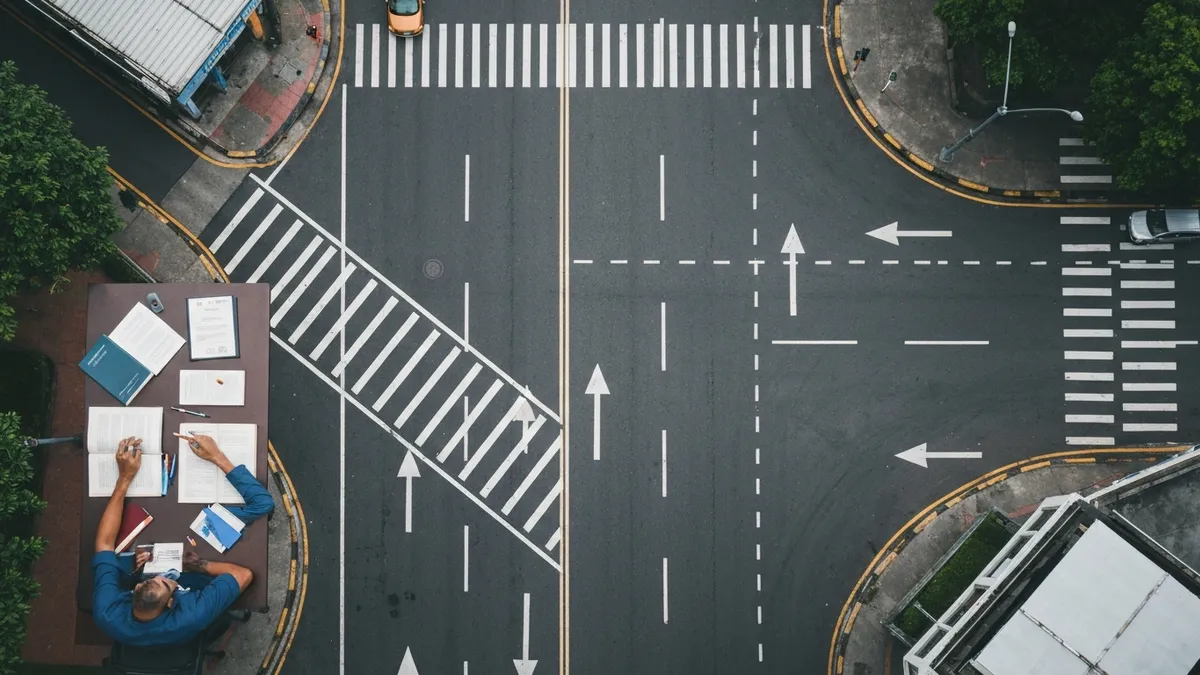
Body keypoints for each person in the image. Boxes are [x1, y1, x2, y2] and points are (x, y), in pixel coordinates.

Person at [92, 434, 275, 647]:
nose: (161, 575)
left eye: (150, 579)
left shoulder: (107, 612)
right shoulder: (192, 614)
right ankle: (217, 456)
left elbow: (104, 544)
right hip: (199, 579)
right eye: (164, 581)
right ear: (172, 602)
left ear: (135, 590)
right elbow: (242, 575)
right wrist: (200, 565)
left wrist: (124, 478)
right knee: (262, 506)